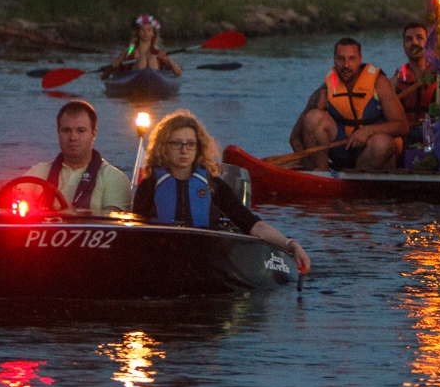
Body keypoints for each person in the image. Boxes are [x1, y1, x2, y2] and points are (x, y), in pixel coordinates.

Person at [132, 111, 312, 272]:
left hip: (206, 262)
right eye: (176, 144)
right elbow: (135, 233)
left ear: (198, 148)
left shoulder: (214, 186)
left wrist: (291, 245)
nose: (184, 150)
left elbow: (253, 225)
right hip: (162, 260)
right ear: (164, 147)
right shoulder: (149, 186)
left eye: (190, 144)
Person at [290, 38, 409, 171]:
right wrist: (311, 168)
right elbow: (295, 138)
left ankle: (357, 177)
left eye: (352, 58)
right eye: (341, 59)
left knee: (382, 143)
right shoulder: (326, 90)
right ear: (334, 60)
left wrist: (368, 131)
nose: (346, 65)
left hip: (373, 153)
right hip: (342, 151)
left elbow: (402, 126)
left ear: (360, 59)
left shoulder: (380, 83)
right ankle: (323, 172)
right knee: (313, 118)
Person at [4, 100, 133, 214]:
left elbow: (112, 226)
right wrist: (1, 191)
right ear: (58, 132)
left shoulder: (114, 179)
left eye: (80, 131)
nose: (73, 137)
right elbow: (2, 206)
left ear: (94, 133)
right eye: (66, 130)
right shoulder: (38, 173)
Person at [394, 23, 439, 150]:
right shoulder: (396, 80)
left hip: (437, 136)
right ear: (404, 46)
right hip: (407, 138)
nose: (414, 42)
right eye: (408, 39)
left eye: (419, 38)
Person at [109, 14, 182, 76]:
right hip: (134, 78)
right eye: (142, 30)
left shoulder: (157, 52)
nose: (145, 33)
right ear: (138, 32)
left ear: (153, 33)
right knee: (142, 59)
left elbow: (178, 73)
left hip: (154, 81)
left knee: (152, 58)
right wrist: (116, 63)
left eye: (149, 30)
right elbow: (106, 74)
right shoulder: (130, 49)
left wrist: (168, 60)